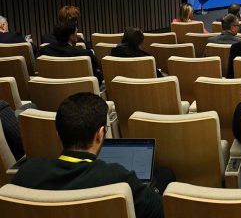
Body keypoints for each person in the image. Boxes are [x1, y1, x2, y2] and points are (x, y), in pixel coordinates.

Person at [12, 93, 167, 218]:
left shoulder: (26, 174)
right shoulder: (117, 178)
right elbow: (163, 211)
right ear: (100, 135)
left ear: (58, 135)